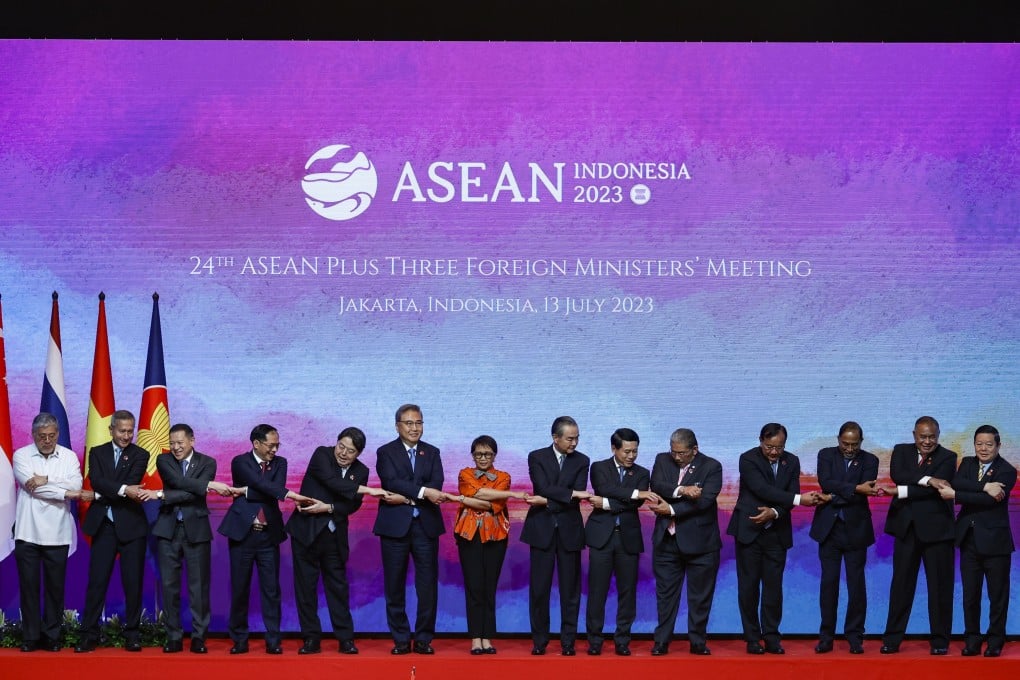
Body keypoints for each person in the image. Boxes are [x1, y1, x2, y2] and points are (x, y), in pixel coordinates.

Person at [726, 422, 828, 655]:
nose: (774, 452)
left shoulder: (791, 461)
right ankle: (752, 638)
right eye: (769, 446)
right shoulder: (748, 459)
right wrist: (799, 499)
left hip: (776, 532)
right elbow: (762, 490)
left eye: (779, 447)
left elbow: (786, 493)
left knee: (774, 588)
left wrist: (776, 512)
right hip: (749, 531)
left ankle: (772, 636)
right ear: (760, 440)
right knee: (748, 587)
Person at [286, 427, 389, 655]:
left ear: (358, 454)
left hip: (334, 536)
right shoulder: (321, 454)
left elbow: (353, 504)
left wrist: (329, 507)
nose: (343, 453)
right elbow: (332, 482)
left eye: (350, 451)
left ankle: (346, 639)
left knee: (338, 589)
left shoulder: (361, 470)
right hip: (306, 533)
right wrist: (367, 490)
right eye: (341, 446)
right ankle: (311, 639)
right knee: (305, 589)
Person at [218, 424, 311, 654]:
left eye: (277, 445)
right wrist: (281, 493)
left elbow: (274, 488)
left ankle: (273, 640)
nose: (275, 449)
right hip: (242, 534)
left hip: (269, 535)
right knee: (240, 588)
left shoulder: (281, 463)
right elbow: (264, 486)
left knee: (271, 590)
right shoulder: (240, 462)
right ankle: (239, 638)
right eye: (271, 445)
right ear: (256, 444)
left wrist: (244, 492)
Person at [13, 412, 91, 652]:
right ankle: (30, 638)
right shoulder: (21, 455)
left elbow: (76, 485)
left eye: (51, 435)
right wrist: (64, 492)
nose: (47, 440)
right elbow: (33, 488)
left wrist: (45, 479)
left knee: (55, 589)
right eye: (42, 436)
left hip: (58, 532)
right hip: (27, 531)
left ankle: (52, 636)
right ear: (33, 435)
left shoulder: (68, 456)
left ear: (58, 433)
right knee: (29, 588)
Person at [141, 423, 222, 654]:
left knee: (198, 588)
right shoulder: (164, 461)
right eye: (172, 443)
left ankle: (199, 637)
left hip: (196, 531)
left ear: (192, 441)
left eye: (180, 443)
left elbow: (191, 492)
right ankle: (173, 637)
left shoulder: (208, 462)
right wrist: (206, 486)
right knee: (169, 586)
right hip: (168, 530)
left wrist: (161, 494)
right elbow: (181, 484)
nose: (175, 447)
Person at [372, 404, 446, 655]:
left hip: (425, 527)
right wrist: (422, 493)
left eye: (419, 423)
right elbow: (391, 482)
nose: (415, 428)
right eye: (409, 423)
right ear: (398, 426)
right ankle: (401, 638)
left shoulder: (432, 452)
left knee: (427, 586)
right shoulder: (385, 452)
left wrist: (407, 497)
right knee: (394, 585)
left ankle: (424, 638)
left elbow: (437, 484)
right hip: (395, 527)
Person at [881, 415, 957, 655]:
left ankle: (940, 641)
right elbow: (898, 473)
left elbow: (937, 492)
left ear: (938, 435)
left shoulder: (948, 457)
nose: (927, 441)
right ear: (914, 435)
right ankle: (892, 639)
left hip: (938, 532)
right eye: (923, 436)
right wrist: (929, 479)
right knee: (901, 585)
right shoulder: (901, 451)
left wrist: (901, 491)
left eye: (932, 437)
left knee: (940, 587)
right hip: (906, 529)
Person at [76, 409, 150, 653]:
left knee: (133, 583)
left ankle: (132, 634)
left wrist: (110, 490)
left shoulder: (141, 454)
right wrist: (123, 489)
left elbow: (133, 479)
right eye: (122, 431)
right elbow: (97, 480)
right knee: (96, 583)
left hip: (132, 527)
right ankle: (89, 634)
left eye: (131, 431)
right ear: (111, 430)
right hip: (104, 526)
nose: (127, 435)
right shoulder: (97, 452)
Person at [444, 435, 524, 655]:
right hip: (468, 535)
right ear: (472, 455)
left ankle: (487, 636)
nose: (483, 458)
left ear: (495, 455)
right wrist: (506, 495)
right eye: (478, 453)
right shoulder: (465, 473)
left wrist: (461, 499)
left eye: (487, 454)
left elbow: (493, 504)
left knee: (489, 587)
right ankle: (475, 638)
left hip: (496, 536)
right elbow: (477, 493)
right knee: (474, 586)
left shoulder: (503, 476)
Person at [809, 421, 883, 655]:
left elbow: (863, 492)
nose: (849, 448)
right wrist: (853, 489)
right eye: (845, 444)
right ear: (838, 439)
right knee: (828, 584)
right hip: (829, 530)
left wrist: (831, 497)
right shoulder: (825, 455)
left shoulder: (870, 460)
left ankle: (855, 636)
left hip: (856, 530)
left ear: (861, 442)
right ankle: (826, 637)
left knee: (856, 586)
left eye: (854, 444)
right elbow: (826, 482)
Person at [942, 424, 1016, 657]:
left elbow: (991, 500)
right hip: (968, 540)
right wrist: (984, 486)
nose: (983, 449)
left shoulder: (1007, 470)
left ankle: (995, 641)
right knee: (970, 595)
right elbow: (957, 482)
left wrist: (955, 496)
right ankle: (972, 640)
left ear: (998, 445)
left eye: (989, 444)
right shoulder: (967, 463)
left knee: (997, 596)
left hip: (996, 543)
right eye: (979, 444)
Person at [648, 428, 723, 656]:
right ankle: (661, 641)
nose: (676, 457)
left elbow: (704, 501)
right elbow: (657, 485)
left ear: (695, 449)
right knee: (665, 596)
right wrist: (682, 490)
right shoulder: (662, 459)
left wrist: (670, 507)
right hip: (666, 541)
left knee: (700, 596)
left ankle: (698, 641)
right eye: (674, 452)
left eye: (681, 453)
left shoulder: (712, 467)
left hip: (701, 544)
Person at [520, 415, 591, 656]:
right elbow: (543, 488)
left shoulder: (582, 461)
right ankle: (540, 641)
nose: (574, 443)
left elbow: (578, 494)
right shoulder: (537, 456)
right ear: (555, 438)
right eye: (570, 438)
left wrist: (549, 501)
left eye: (577, 438)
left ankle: (568, 642)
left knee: (570, 591)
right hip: (541, 531)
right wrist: (565, 496)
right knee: (539, 590)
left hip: (570, 532)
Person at [583, 427, 655, 656]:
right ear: (614, 448)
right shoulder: (599, 467)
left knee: (627, 592)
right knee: (597, 591)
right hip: (601, 538)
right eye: (626, 451)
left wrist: (605, 504)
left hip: (628, 540)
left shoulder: (643, 473)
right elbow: (604, 488)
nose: (631, 456)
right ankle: (595, 640)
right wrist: (634, 494)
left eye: (635, 451)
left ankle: (622, 639)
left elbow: (633, 504)